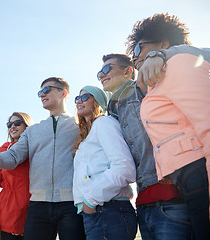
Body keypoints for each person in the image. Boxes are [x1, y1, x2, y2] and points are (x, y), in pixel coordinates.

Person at [0, 77, 85, 240]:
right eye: (40, 92)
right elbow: (12, 157)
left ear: (63, 93)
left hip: (72, 205)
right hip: (38, 207)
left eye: (46, 90)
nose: (42, 95)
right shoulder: (33, 131)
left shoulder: (80, 125)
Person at [127, 13, 210, 239]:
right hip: (186, 178)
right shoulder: (157, 81)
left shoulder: (179, 63)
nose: (134, 58)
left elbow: (207, 124)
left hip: (199, 173)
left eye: (138, 49)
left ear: (163, 44)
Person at [98, 53, 192, 239]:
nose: (101, 75)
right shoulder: (114, 108)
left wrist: (155, 55)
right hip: (143, 203)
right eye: (99, 72)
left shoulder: (143, 89)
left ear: (128, 71)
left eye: (107, 69)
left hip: (172, 198)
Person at [72, 85, 137, 240]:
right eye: (77, 98)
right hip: (98, 212)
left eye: (85, 97)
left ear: (98, 101)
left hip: (109, 210)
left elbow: (124, 167)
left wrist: (90, 200)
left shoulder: (105, 123)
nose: (79, 101)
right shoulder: (86, 136)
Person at [0, 112, 33, 240]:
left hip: (34, 218)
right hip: (7, 220)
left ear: (27, 125)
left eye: (17, 123)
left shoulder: (36, 151)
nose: (12, 127)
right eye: (9, 124)